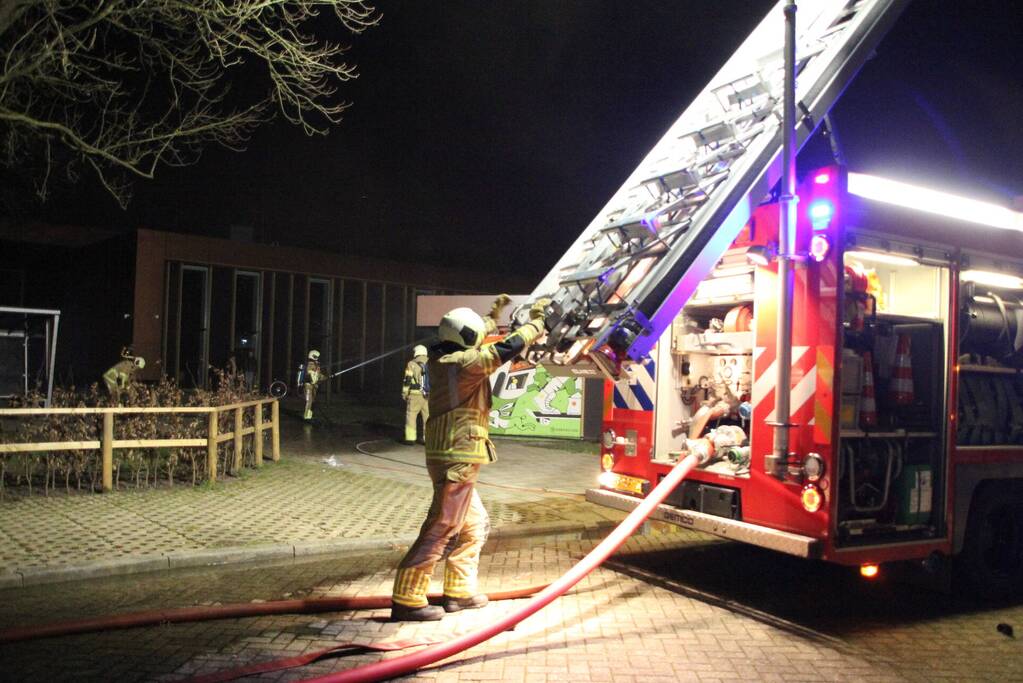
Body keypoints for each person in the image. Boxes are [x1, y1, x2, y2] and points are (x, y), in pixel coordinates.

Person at [391, 294, 548, 621]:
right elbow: (504, 349)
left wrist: (492, 316)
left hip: (447, 453)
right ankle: (407, 597)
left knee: (473, 526)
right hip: (457, 454)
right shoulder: (466, 364)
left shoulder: (441, 355)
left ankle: (459, 593)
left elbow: (472, 337)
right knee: (443, 525)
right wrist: (537, 322)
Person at [402, 345, 430, 444]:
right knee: (427, 417)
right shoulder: (431, 362)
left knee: (411, 416)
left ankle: (410, 438)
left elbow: (407, 380)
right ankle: (428, 439)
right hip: (428, 395)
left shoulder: (411, 363)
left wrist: (405, 393)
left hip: (414, 395)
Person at [302, 349, 324, 421]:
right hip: (308, 385)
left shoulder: (316, 365)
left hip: (314, 385)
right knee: (309, 401)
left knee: (313, 401)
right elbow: (309, 373)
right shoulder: (310, 364)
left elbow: (318, 375)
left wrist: (324, 377)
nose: (317, 358)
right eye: (315, 356)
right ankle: (306, 416)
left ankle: (309, 415)